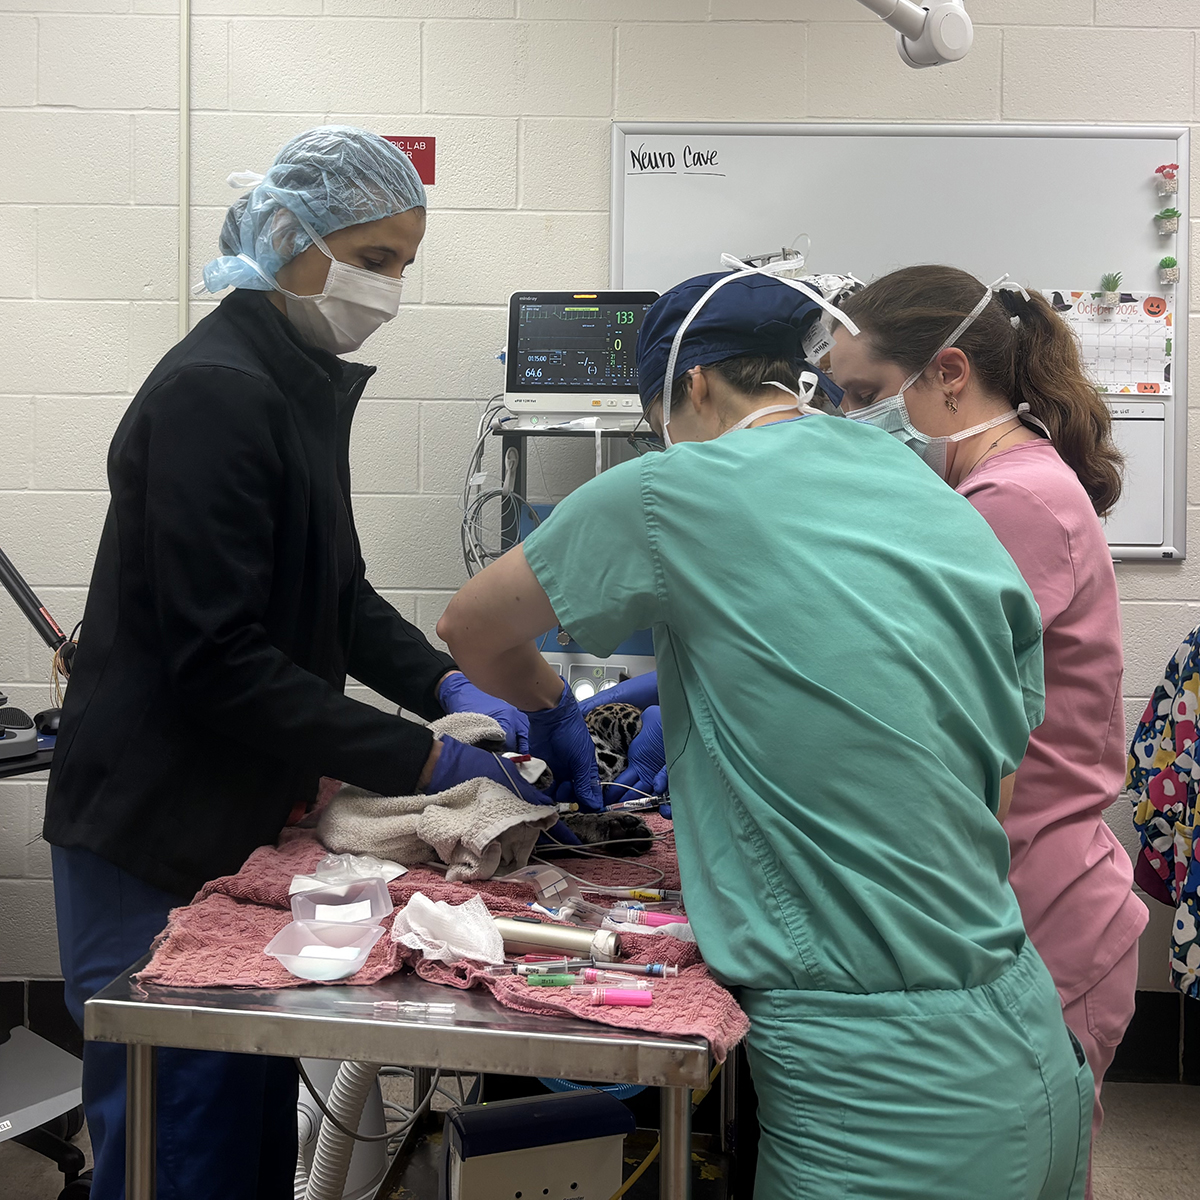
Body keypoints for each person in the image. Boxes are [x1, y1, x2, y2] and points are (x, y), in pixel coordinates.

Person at [435, 267, 1094, 1199]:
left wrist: (548, 711)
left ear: (692, 387)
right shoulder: (935, 496)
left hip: (880, 1093)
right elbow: (985, 779)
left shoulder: (676, 488)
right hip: (1025, 1032)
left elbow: (471, 629)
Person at [43, 126, 598, 1200]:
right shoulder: (216, 390)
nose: (386, 289)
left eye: (403, 266)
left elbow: (332, 594)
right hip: (150, 822)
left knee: (244, 1118)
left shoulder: (292, 379)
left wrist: (449, 686)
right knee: (179, 1135)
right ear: (289, 237)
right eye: (373, 259)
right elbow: (221, 659)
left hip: (233, 812)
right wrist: (426, 763)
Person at [830, 266, 1147, 1196]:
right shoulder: (994, 490)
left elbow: (919, 706)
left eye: (866, 396)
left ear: (950, 372)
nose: (851, 421)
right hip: (1016, 889)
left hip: (1043, 904)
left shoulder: (1016, 503)